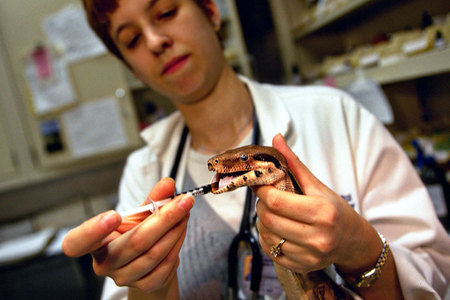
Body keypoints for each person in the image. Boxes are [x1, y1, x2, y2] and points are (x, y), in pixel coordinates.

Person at [62, 0, 450, 299]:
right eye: (131, 40)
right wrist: (149, 285)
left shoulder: (335, 114)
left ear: (211, 10)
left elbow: (438, 278)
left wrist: (357, 247)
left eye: (165, 11)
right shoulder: (144, 171)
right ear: (131, 68)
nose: (154, 41)